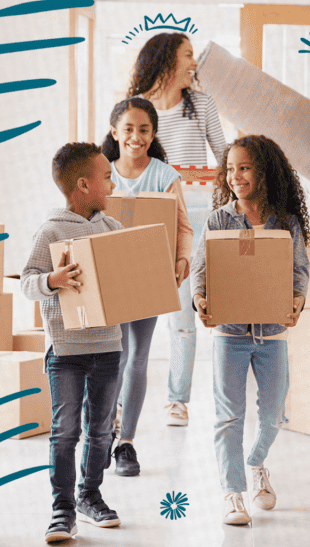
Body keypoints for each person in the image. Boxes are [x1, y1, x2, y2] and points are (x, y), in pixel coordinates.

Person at [189, 135, 310, 525]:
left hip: (273, 333)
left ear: (264, 171)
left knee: (274, 415)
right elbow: (200, 270)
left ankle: (256, 462)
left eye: (244, 168)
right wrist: (199, 299)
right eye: (229, 169)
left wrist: (298, 300)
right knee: (228, 417)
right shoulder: (218, 220)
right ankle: (233, 493)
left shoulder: (285, 223)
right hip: (229, 332)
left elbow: (299, 272)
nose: (235, 176)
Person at [21, 143, 124, 543]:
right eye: (106, 176)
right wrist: (53, 280)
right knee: (66, 430)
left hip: (108, 346)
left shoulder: (111, 228)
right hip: (65, 352)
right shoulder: (51, 231)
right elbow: (28, 282)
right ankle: (62, 509)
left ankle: (90, 495)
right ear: (84, 184)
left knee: (100, 430)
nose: (112, 182)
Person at [129, 32, 228, 427]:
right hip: (149, 217)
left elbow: (225, 158)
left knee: (183, 314)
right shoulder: (137, 111)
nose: (194, 63)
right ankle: (122, 400)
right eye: (188, 55)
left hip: (196, 216)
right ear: (167, 60)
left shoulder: (201, 104)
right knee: (132, 311)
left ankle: (177, 400)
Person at [101, 97, 193, 476]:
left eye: (144, 130)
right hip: (109, 277)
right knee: (113, 359)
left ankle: (127, 443)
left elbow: (183, 226)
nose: (136, 137)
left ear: (153, 134)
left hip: (148, 276)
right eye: (129, 129)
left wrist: (182, 261)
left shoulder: (165, 176)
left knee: (138, 357)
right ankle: (104, 432)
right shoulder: (101, 172)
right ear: (114, 132)